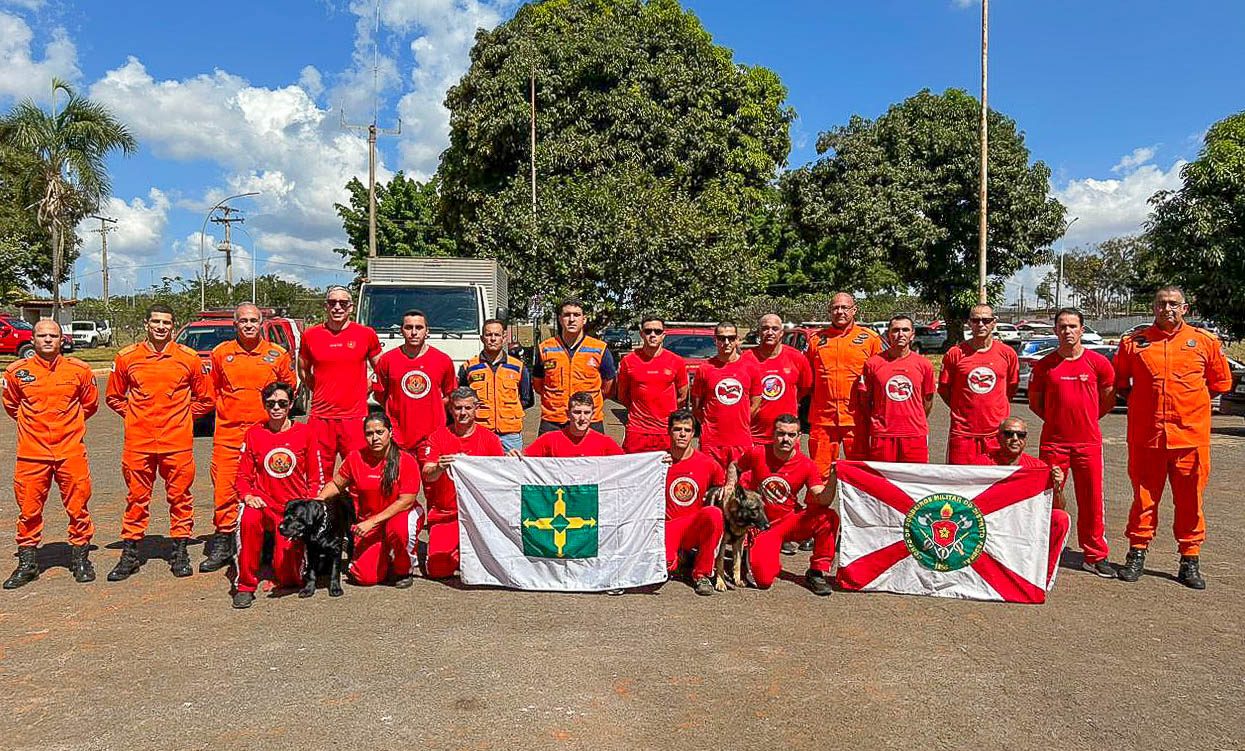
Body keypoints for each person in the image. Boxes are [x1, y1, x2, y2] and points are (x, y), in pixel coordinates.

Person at [1113, 286, 1233, 589]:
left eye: (1174, 304)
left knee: (1191, 501)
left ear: (1185, 308)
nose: (1167, 308)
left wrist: (1190, 407)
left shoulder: (1204, 343)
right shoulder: (1135, 343)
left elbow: (1220, 383)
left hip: (1190, 439)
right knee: (1143, 499)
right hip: (1146, 437)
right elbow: (1121, 382)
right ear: (1153, 307)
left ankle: (1189, 559)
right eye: (1161, 304)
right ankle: (1136, 553)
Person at [105, 304, 213, 581]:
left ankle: (180, 551)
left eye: (166, 322)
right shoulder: (127, 357)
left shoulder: (188, 358)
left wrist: (184, 417)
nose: (161, 327)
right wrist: (135, 416)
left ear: (174, 326)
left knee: (180, 498)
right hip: (138, 443)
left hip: (176, 442)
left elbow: (206, 398)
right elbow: (114, 397)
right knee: (136, 499)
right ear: (146, 324)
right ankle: (130, 554)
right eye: (156, 322)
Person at [2, 320, 99, 588]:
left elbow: (89, 404)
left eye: (53, 336)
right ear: (32, 340)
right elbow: (11, 405)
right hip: (32, 454)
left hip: (70, 451)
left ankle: (80, 558)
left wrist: (68, 427)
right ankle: (28, 563)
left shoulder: (79, 370)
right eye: (42, 335)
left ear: (61, 340)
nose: (47, 340)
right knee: (29, 510)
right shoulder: (17, 372)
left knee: (78, 507)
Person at [202, 302, 296, 574]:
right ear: (235, 325)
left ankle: (266, 543)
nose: (248, 325)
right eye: (243, 321)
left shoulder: (277, 354)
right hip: (229, 435)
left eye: (253, 320)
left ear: (261, 324)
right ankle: (224, 541)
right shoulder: (221, 354)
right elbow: (214, 390)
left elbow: (288, 389)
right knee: (225, 489)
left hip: (264, 435)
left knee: (268, 488)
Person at [1028, 308, 1116, 578]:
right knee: (1049, 498)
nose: (1067, 331)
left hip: (1088, 444)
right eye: (1062, 326)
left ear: (1082, 329)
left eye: (1073, 326)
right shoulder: (1045, 366)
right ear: (1055, 330)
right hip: (1054, 444)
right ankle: (1046, 549)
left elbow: (1108, 398)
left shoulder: (1098, 363)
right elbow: (1035, 403)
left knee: (1091, 500)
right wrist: (1058, 420)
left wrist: (1086, 419)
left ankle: (1094, 554)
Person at [231, 382, 323, 608]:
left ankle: (284, 566)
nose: (276, 408)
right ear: (264, 405)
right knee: (248, 518)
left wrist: (308, 508)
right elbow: (242, 477)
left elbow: (315, 477)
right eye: (270, 403)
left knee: (290, 578)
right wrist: (248, 496)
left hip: (291, 509)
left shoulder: (306, 433)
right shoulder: (254, 434)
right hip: (263, 504)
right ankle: (245, 585)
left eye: (282, 403)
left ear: (291, 404)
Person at [724, 414, 839, 596]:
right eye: (781, 434)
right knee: (762, 581)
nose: (785, 439)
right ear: (773, 434)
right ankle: (760, 553)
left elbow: (822, 498)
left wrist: (833, 477)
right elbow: (734, 466)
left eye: (791, 435)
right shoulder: (758, 453)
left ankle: (817, 571)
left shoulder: (807, 465)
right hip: (763, 527)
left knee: (828, 516)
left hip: (790, 521)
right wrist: (730, 486)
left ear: (799, 437)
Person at [315, 412, 423, 587]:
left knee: (399, 530)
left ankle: (405, 569)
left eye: (380, 432)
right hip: (369, 521)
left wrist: (372, 522)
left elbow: (406, 501)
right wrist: (319, 500)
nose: (375, 438)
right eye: (369, 434)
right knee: (365, 578)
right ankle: (383, 557)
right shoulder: (355, 458)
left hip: (400, 516)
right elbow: (336, 484)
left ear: (390, 432)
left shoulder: (406, 460)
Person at [416, 388, 505, 579]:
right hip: (446, 513)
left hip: (479, 515)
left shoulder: (490, 439)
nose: (462, 413)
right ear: (450, 410)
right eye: (457, 408)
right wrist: (440, 466)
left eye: (467, 408)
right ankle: (458, 551)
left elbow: (500, 477)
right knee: (438, 570)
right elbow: (427, 473)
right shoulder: (438, 437)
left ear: (476, 409)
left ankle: (463, 551)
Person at [298, 286, 382, 472]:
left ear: (351, 307)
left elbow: (382, 369)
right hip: (321, 417)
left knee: (359, 473)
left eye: (343, 303)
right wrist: (319, 388)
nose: (337, 307)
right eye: (332, 303)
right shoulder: (311, 335)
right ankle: (323, 503)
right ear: (326, 306)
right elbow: (303, 370)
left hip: (354, 418)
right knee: (317, 475)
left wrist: (368, 385)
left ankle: (356, 503)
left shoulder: (366, 334)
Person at [984, 416, 1071, 589]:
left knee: (1061, 518)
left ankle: (1041, 580)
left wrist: (1057, 486)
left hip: (1024, 526)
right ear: (998, 437)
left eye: (1020, 435)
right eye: (1009, 434)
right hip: (991, 525)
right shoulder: (982, 463)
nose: (1015, 439)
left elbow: (1058, 506)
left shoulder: (1038, 468)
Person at [806, 292, 884, 476]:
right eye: (835, 308)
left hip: (857, 420)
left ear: (854, 310)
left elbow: (880, 379)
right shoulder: (816, 340)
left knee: (860, 475)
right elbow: (807, 379)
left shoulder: (870, 339)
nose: (840, 312)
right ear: (829, 311)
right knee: (818, 475)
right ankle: (818, 506)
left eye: (844, 307)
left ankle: (861, 506)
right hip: (823, 420)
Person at [938, 304, 1018, 464]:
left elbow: (1011, 387)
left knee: (995, 484)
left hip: (997, 432)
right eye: (976, 320)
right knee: (959, 482)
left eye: (986, 320)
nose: (981, 324)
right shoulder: (955, 353)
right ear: (969, 323)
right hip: (963, 433)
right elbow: (944, 389)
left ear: (994, 322)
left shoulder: (1007, 353)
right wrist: (962, 408)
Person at [373, 309, 456, 454]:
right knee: (399, 476)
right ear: (401, 331)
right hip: (398, 437)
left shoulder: (443, 360)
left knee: (431, 476)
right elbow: (380, 394)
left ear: (427, 331)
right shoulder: (387, 360)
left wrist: (432, 404)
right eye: (408, 327)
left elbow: (450, 395)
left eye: (419, 327)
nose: (413, 332)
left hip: (432, 437)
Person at [662, 409, 725, 596]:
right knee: (667, 566)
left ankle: (702, 574)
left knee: (714, 513)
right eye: (677, 429)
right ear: (669, 431)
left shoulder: (707, 463)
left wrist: (729, 484)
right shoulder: (658, 460)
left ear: (693, 434)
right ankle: (682, 557)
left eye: (687, 430)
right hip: (668, 525)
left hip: (692, 523)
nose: (682, 434)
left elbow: (723, 485)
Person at [857, 314, 936, 463]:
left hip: (914, 435)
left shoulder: (924, 364)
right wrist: (879, 422)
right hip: (882, 435)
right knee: (882, 483)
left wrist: (914, 419)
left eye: (905, 330)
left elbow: (928, 399)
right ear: (888, 335)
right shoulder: (872, 364)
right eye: (895, 330)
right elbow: (865, 401)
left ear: (912, 335)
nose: (900, 334)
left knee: (913, 482)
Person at [532, 298, 616, 434]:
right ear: (560, 319)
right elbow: (538, 385)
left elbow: (609, 387)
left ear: (584, 319)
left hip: (589, 420)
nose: (571, 319)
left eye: (576, 315)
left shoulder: (599, 349)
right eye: (567, 315)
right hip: (553, 421)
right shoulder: (545, 348)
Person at [690, 321, 761, 468]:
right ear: (715, 340)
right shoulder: (705, 369)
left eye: (731, 338)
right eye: (722, 338)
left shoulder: (751, 368)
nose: (726, 342)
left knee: (741, 487)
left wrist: (741, 421)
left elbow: (756, 402)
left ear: (737, 340)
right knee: (711, 487)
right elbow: (696, 407)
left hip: (741, 441)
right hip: (712, 443)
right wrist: (711, 424)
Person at [458, 318, 533, 453]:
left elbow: (528, 399)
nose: (493, 339)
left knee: (511, 472)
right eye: (488, 335)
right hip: (480, 431)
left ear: (504, 338)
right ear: (482, 338)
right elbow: (460, 400)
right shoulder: (469, 367)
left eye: (497, 335)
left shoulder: (518, 367)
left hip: (511, 435)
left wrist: (507, 412)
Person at [616, 316, 689, 453]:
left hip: (666, 430)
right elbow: (622, 396)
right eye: (648, 331)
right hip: (637, 430)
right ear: (642, 334)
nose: (653, 335)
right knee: (634, 470)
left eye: (657, 331)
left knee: (667, 470)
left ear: (663, 335)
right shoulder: (628, 361)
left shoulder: (676, 361)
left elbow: (682, 396)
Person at [742, 314, 812, 446]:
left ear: (782, 333)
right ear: (758, 332)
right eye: (765, 328)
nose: (770, 332)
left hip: (786, 435)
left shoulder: (797, 358)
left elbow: (805, 388)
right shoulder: (746, 359)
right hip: (753, 435)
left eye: (775, 329)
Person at [520, 391, 623, 457]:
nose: (582, 418)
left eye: (587, 413)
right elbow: (525, 460)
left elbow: (626, 464)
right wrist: (515, 457)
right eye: (577, 412)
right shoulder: (549, 440)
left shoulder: (605, 443)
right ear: (568, 414)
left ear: (593, 415)